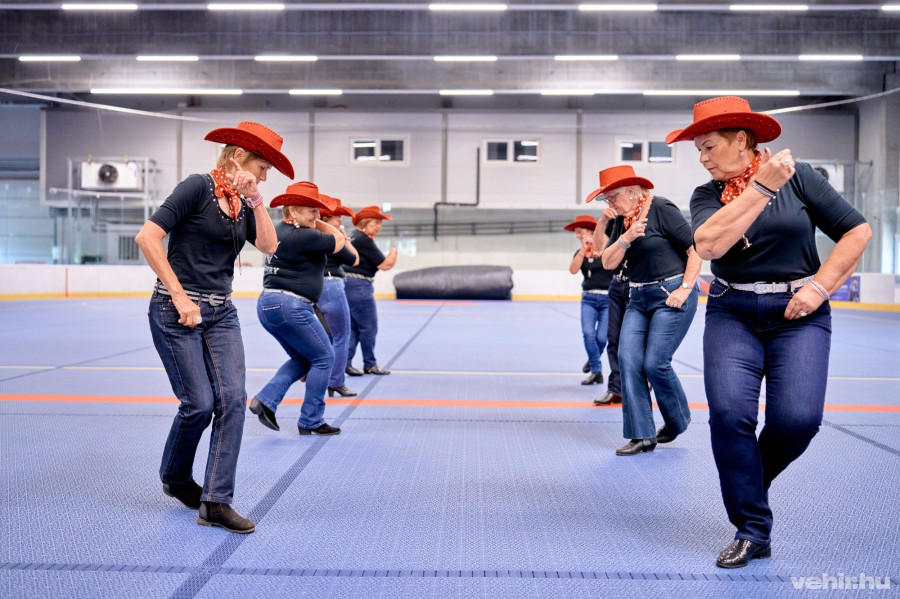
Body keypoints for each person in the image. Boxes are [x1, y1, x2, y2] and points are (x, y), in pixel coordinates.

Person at [666, 96, 871, 568]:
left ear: (742, 139)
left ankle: (748, 481)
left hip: (800, 312)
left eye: (709, 146)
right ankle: (753, 529)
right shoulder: (706, 196)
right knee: (729, 415)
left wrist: (820, 287)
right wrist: (761, 186)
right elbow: (709, 246)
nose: (703, 157)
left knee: (798, 420)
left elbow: (857, 232)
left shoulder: (801, 178)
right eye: (699, 150)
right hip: (731, 311)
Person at [135, 120, 292, 534]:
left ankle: (216, 502)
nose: (264, 176)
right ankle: (176, 477)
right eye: (262, 168)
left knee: (233, 401)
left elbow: (269, 246)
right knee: (199, 405)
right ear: (239, 156)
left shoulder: (243, 203)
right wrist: (180, 296)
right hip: (176, 310)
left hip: (222, 313)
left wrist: (256, 198)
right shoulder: (196, 188)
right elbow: (147, 238)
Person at [586, 165, 701, 456]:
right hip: (637, 297)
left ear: (630, 191)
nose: (609, 203)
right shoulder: (622, 222)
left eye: (612, 197)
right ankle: (642, 435)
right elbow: (608, 262)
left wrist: (685, 288)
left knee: (655, 363)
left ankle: (676, 421)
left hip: (670, 293)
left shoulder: (661, 208)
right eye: (606, 199)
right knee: (628, 360)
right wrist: (625, 238)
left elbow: (695, 250)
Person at [248, 181, 346, 436]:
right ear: (292, 210)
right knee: (325, 357)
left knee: (305, 358)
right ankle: (311, 420)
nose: (316, 215)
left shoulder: (278, 230)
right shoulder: (305, 235)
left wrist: (313, 218)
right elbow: (340, 240)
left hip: (269, 304)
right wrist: (321, 223)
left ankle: (265, 401)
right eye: (311, 210)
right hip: (292, 305)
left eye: (318, 211)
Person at [344, 206, 398, 376]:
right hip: (359, 285)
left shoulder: (353, 235)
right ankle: (370, 364)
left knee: (353, 328)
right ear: (365, 222)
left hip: (347, 284)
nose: (379, 226)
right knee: (369, 326)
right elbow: (385, 265)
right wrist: (394, 252)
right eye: (376, 222)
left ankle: (345, 362)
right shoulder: (364, 240)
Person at [316, 194, 360, 397]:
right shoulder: (331, 238)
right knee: (341, 336)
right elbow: (354, 259)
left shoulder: (311, 234)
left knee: (322, 335)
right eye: (337, 218)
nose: (341, 222)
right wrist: (344, 239)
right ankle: (336, 381)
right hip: (331, 284)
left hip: (314, 285)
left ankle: (314, 373)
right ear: (325, 219)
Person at [564, 214, 611, 386]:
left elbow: (611, 253)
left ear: (590, 231)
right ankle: (596, 371)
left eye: (579, 232)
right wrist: (583, 250)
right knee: (588, 334)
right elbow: (573, 270)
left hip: (608, 299)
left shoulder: (607, 246)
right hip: (589, 298)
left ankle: (592, 359)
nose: (577, 236)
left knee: (602, 338)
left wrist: (598, 239)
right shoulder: (581, 252)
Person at [592, 210, 627, 406]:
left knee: (635, 341)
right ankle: (615, 388)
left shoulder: (650, 214)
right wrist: (603, 220)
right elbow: (598, 248)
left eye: (612, 197)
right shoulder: (616, 221)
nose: (610, 202)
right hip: (617, 285)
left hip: (639, 285)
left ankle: (638, 384)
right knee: (613, 339)